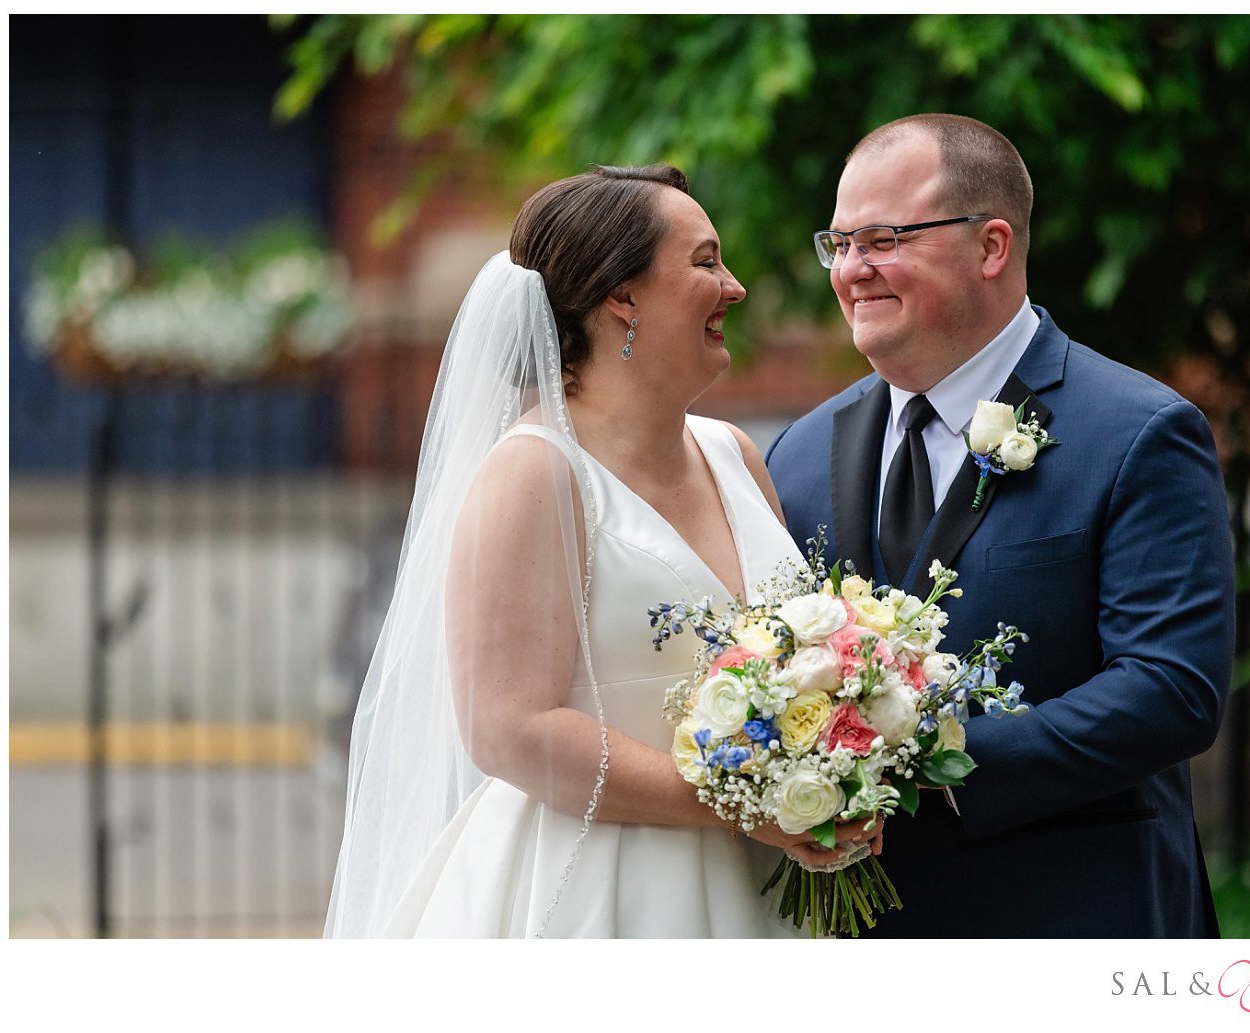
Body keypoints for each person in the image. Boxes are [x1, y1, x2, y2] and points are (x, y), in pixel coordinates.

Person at [325, 165, 876, 938]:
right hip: (602, 886)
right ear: (623, 297)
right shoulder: (534, 472)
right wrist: (747, 804)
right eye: (705, 261)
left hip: (765, 878)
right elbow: (509, 728)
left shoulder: (734, 454)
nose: (736, 286)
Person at [765, 114, 1232, 936]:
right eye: (838, 243)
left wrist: (927, 756)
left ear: (991, 247)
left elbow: (1172, 688)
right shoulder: (801, 451)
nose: (851, 270)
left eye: (882, 238)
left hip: (1072, 919)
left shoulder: (1137, 431)